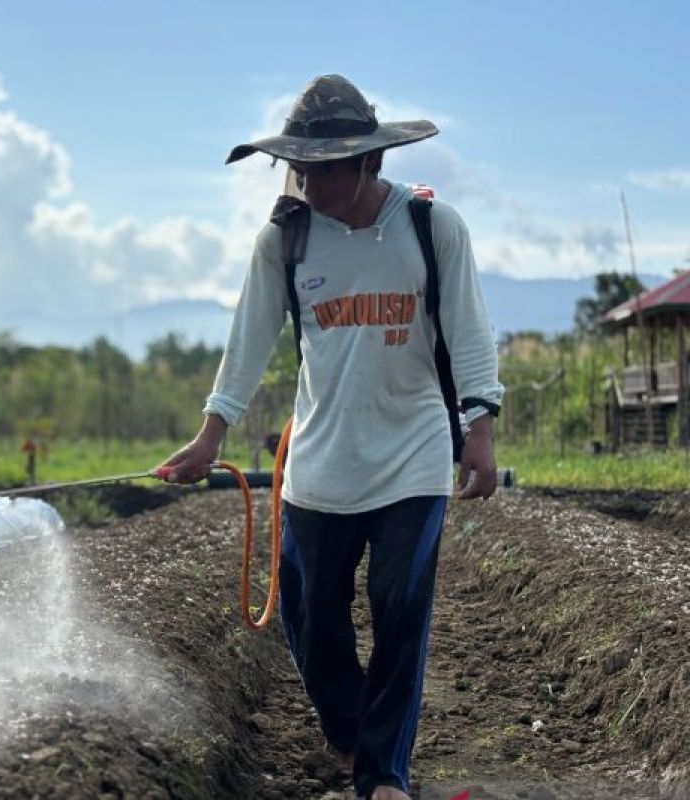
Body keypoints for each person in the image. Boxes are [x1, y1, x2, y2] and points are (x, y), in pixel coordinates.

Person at [158, 74, 504, 800]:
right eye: (299, 167)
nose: (307, 182)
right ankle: (349, 733)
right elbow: (248, 341)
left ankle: (383, 774)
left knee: (399, 609)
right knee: (309, 616)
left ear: (369, 161)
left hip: (412, 453)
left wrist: (479, 428)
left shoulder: (431, 227)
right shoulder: (286, 240)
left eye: (323, 168)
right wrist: (210, 436)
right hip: (320, 463)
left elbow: (470, 331)